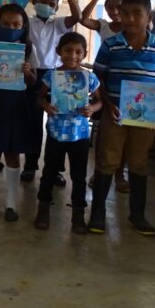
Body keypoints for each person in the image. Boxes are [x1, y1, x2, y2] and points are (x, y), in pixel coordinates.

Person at [90, 0, 155, 236]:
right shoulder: (110, 45)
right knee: (107, 160)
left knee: (139, 162)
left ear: (149, 17)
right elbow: (98, 79)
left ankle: (137, 215)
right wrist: (107, 104)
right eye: (125, 13)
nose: (130, 18)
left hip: (145, 116)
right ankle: (97, 214)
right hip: (115, 114)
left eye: (137, 14)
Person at [34, 32, 101, 234]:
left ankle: (78, 215)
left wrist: (92, 108)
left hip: (79, 135)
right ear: (59, 52)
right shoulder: (51, 76)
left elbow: (99, 101)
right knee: (49, 173)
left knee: (79, 175)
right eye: (68, 50)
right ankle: (43, 209)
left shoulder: (89, 77)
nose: (73, 55)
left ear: (84, 54)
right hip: (56, 133)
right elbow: (38, 97)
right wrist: (46, 104)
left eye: (78, 51)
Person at [0, 3, 37, 221]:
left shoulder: (28, 48)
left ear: (23, 26)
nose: (11, 28)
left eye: (16, 25)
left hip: (16, 106)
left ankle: (11, 203)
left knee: (12, 154)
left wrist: (28, 72)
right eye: (5, 24)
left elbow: (32, 82)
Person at [21, 0, 82, 183]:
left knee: (58, 123)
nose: (46, 5)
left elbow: (78, 15)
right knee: (33, 123)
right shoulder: (26, 22)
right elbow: (11, 7)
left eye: (51, 3)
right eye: (42, 2)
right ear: (34, 1)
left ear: (56, 7)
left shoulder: (59, 24)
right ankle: (30, 165)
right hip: (33, 75)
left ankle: (54, 169)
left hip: (58, 76)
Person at [80, 0, 130, 193]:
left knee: (124, 132)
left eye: (120, 7)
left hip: (126, 85)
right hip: (104, 83)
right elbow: (83, 18)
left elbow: (149, 20)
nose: (115, 12)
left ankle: (120, 175)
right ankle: (99, 171)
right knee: (102, 133)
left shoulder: (134, 27)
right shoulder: (104, 25)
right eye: (111, 7)